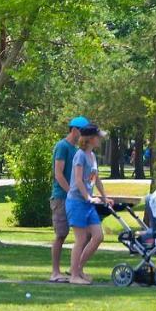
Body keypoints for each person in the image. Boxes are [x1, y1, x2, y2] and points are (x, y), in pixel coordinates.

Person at [49, 116, 90, 283]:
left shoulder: (77, 150)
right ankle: (55, 272)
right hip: (61, 197)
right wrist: (71, 193)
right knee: (61, 234)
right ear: (74, 130)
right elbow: (58, 174)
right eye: (83, 131)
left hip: (74, 199)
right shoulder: (62, 146)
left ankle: (75, 269)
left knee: (84, 234)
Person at [65, 125, 108, 285]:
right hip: (77, 202)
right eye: (98, 136)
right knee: (80, 239)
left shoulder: (92, 156)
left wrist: (104, 197)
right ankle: (74, 276)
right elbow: (77, 180)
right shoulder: (80, 155)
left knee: (98, 237)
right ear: (90, 138)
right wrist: (88, 197)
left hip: (87, 203)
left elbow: (95, 179)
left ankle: (78, 269)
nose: (100, 139)